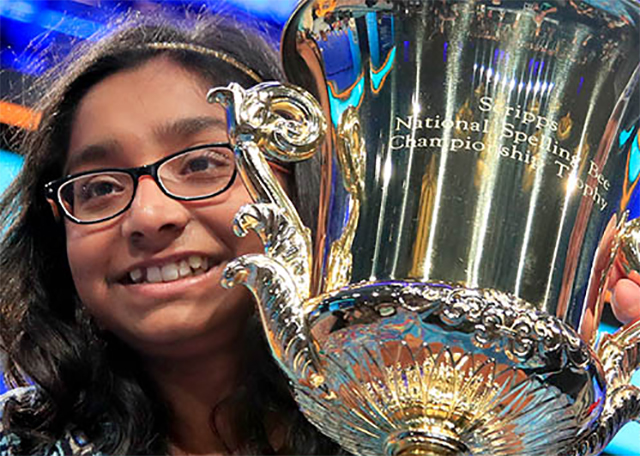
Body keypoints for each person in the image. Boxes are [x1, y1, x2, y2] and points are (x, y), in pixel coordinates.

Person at [0, 11, 341, 456]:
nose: (147, 215)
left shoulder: (421, 417)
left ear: (304, 184)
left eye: (202, 164)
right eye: (100, 187)